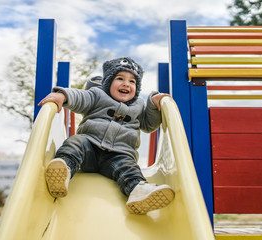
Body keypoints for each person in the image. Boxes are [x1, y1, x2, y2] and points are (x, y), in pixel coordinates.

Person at [38, 57, 174, 214]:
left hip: (118, 156)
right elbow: (80, 97)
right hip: (89, 147)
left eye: (132, 82)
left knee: (129, 168)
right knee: (76, 142)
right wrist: (62, 96)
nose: (126, 84)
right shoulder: (97, 95)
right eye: (120, 78)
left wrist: (153, 102)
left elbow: (149, 125)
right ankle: (65, 169)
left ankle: (138, 191)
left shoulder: (139, 106)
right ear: (108, 82)